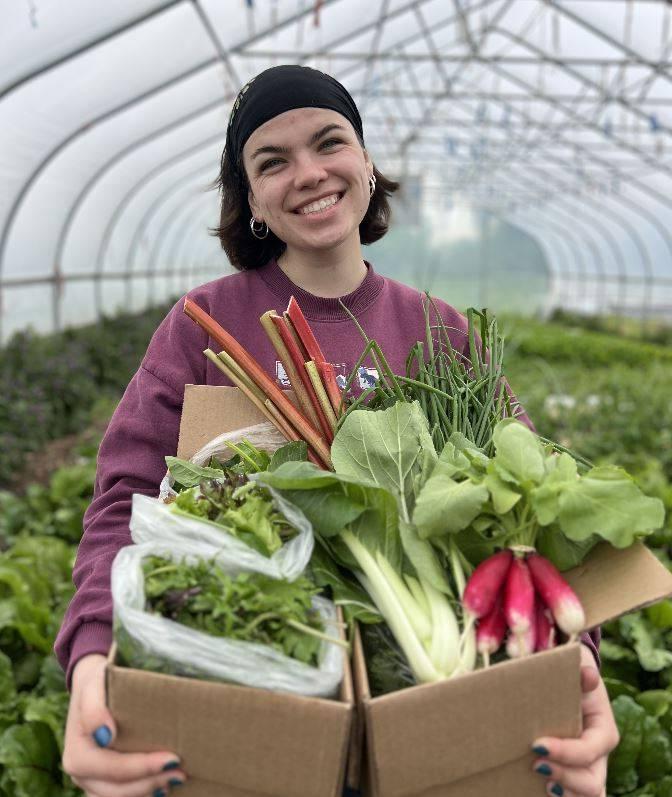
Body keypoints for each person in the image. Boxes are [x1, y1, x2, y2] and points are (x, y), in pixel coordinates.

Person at [56, 65, 618, 797]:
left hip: (439, 712)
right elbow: (123, 499)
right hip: (253, 699)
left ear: (366, 162)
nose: (309, 173)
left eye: (329, 142)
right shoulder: (203, 326)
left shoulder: (440, 331)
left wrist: (574, 666)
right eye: (273, 162)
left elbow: (539, 505)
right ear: (251, 199)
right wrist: (94, 651)